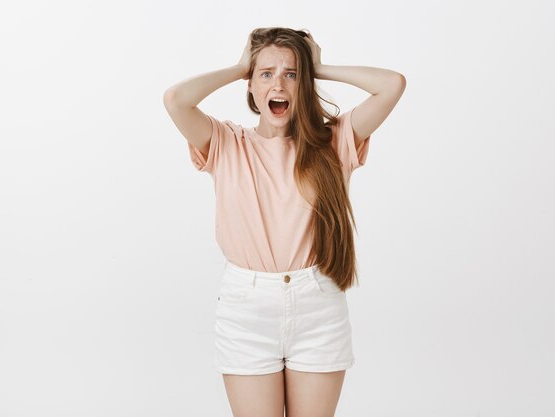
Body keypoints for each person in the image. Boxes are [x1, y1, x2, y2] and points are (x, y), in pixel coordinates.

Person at [163, 27, 405, 417]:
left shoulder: (332, 142)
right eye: (266, 74)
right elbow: (175, 100)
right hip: (247, 308)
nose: (279, 83)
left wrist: (319, 66)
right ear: (252, 89)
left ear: (303, 86)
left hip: (318, 306)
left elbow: (392, 85)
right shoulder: (226, 143)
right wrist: (242, 65)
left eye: (291, 74)